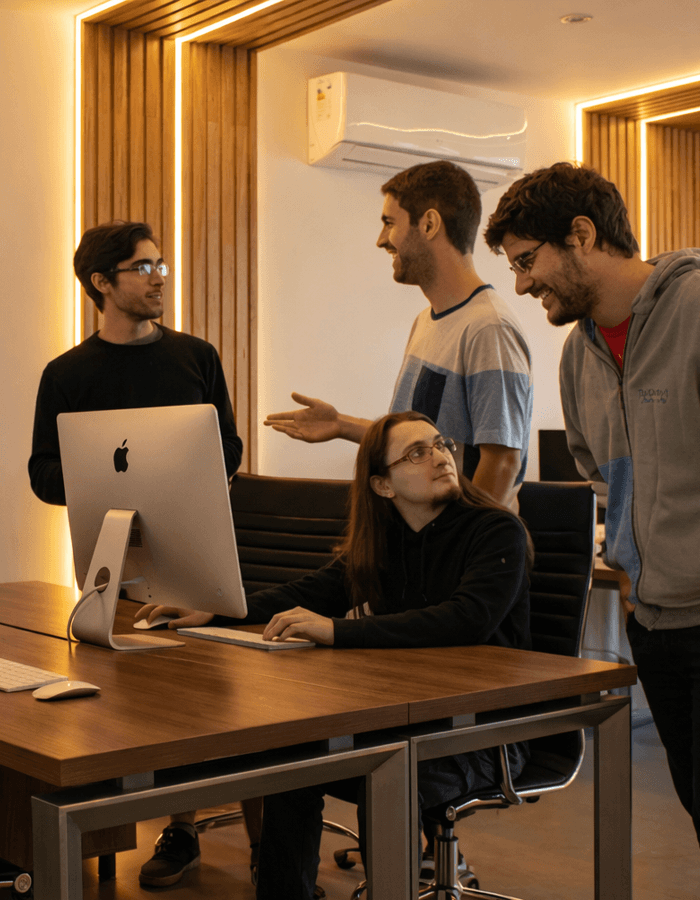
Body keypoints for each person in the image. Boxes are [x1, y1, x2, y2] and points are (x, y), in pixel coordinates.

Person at [136, 409, 533, 899]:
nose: (439, 457)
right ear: (383, 486)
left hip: (485, 732)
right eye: (416, 452)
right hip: (405, 718)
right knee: (293, 760)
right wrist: (218, 610)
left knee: (388, 773)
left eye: (440, 445)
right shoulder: (387, 539)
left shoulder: (496, 531)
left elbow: (466, 619)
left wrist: (341, 632)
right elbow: (317, 589)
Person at [484, 160, 700, 847]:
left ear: (581, 234)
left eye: (527, 261)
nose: (520, 284)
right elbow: (605, 479)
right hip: (658, 626)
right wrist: (635, 572)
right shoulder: (578, 355)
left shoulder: (695, 307)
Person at [27, 220, 247, 886]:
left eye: (161, 267)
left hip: (192, 548)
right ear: (102, 283)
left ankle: (181, 831)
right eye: (143, 268)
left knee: (193, 705)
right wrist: (106, 481)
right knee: (116, 703)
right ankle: (95, 837)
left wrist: (177, 476)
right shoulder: (66, 374)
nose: (158, 279)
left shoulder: (195, 356)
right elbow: (43, 472)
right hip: (111, 556)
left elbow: (228, 450)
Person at [265, 160, 532, 510]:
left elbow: (502, 462)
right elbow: (414, 442)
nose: (381, 240)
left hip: (456, 555)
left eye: (389, 223)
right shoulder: (426, 321)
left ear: (429, 224)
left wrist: (460, 547)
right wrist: (340, 424)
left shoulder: (488, 328)